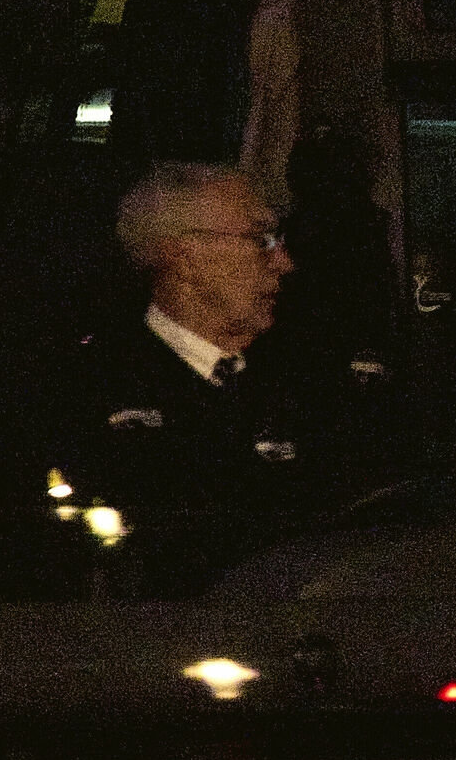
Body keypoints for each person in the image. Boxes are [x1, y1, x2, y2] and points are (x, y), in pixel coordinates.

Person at [18, 162, 333, 596]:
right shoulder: (82, 389)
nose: (284, 262)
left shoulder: (312, 379)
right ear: (182, 256)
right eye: (261, 241)